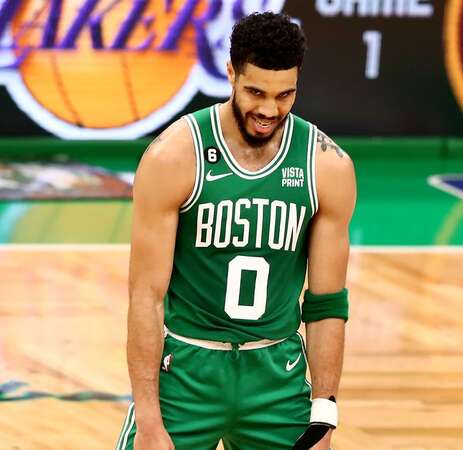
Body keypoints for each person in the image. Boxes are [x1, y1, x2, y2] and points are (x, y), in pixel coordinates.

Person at [115, 12, 356, 450]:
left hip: (277, 376)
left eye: (285, 95)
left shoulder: (326, 166)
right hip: (186, 372)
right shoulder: (175, 157)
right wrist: (150, 421)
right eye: (255, 92)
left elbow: (325, 304)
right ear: (230, 74)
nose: (269, 110)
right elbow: (145, 298)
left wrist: (323, 416)